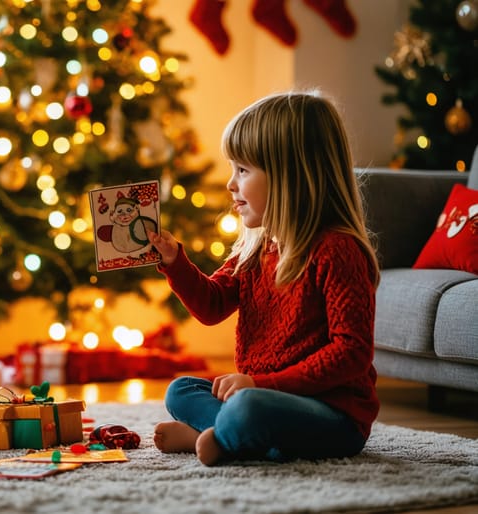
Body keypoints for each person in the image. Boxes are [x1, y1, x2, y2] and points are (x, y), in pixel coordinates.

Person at [149, 91, 380, 466]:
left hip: (333, 416)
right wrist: (176, 262)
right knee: (182, 389)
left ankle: (224, 436)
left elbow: (350, 355)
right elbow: (211, 306)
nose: (230, 184)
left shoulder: (337, 250)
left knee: (250, 407)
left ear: (290, 176)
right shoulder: (256, 249)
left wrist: (261, 385)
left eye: (242, 170)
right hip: (262, 396)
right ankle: (231, 435)